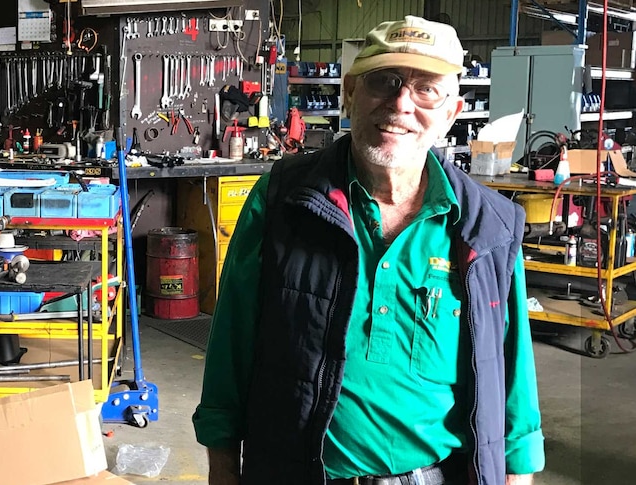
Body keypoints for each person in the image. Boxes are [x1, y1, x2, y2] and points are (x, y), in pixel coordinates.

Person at [193, 16, 544, 485]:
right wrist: (222, 470)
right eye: (385, 81)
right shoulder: (282, 200)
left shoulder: (488, 226)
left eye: (426, 90)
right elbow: (230, 348)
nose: (400, 103)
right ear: (350, 93)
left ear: (452, 112)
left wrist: (518, 475)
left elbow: (513, 378)